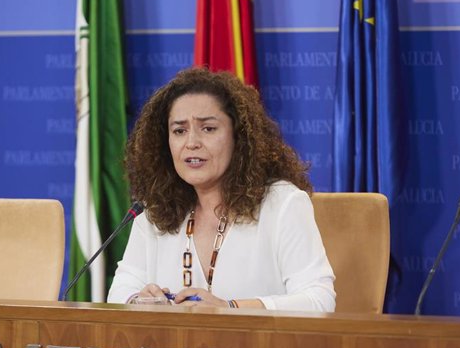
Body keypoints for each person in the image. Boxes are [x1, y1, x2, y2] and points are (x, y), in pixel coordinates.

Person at [107, 68, 335, 311]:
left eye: (208, 129)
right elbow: (121, 289)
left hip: (263, 347)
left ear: (238, 137)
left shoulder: (282, 204)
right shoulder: (156, 210)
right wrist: (139, 300)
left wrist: (230, 308)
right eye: (179, 131)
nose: (191, 142)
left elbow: (319, 300)